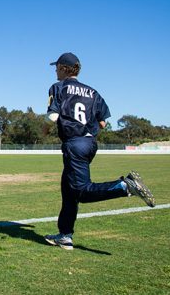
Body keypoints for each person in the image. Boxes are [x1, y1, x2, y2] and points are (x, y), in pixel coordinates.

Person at [43, 52, 155, 250]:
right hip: (89, 143)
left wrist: (44, 130)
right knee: (68, 190)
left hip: (74, 144)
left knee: (81, 191)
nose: (55, 71)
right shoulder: (93, 92)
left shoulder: (59, 87)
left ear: (63, 68)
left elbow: (53, 116)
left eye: (56, 67)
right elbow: (102, 123)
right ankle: (65, 235)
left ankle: (124, 186)